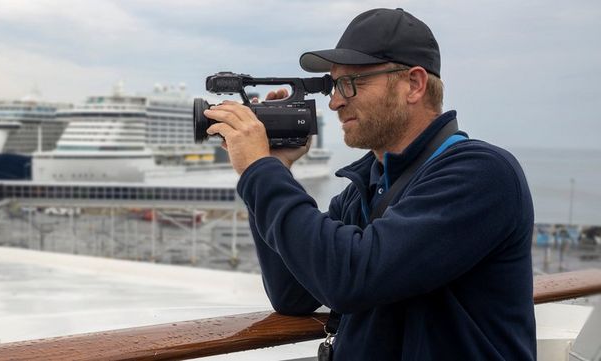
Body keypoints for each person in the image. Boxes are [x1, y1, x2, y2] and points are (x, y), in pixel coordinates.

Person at [202, 8, 536, 360]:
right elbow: (294, 294)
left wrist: (259, 168)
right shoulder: (365, 186)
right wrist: (278, 166)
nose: (334, 102)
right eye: (333, 86)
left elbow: (350, 278)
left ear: (414, 84)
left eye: (351, 83)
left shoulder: (482, 174)